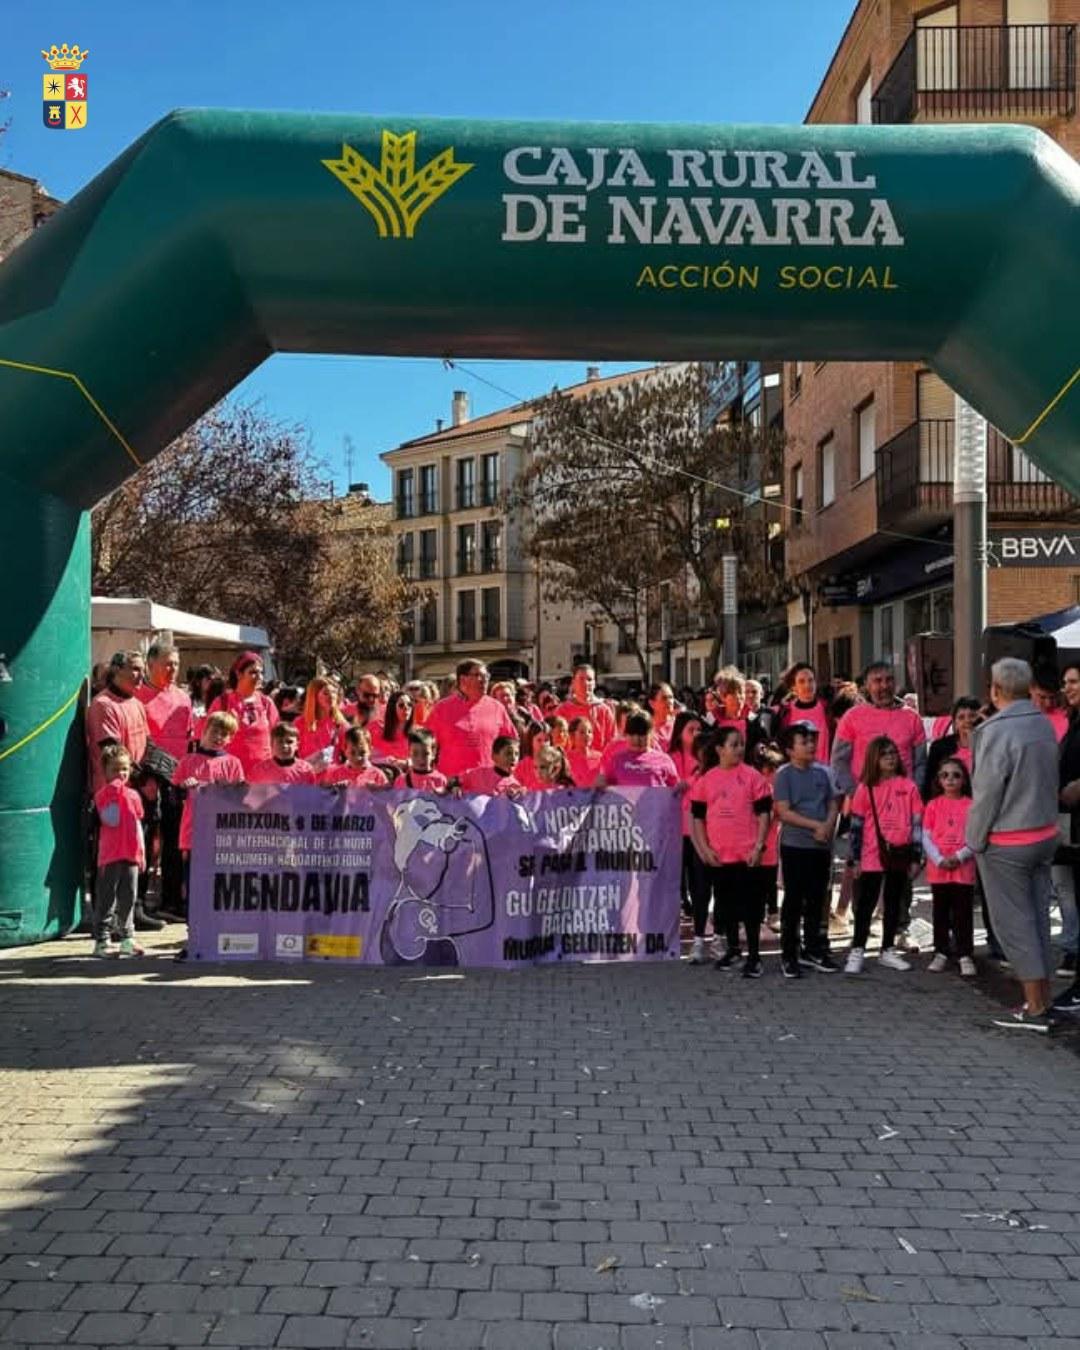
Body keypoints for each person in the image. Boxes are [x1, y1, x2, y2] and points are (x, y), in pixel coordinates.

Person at [967, 658, 1063, 1032]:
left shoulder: (994, 731)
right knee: (1037, 916)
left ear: (995, 689)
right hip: (1043, 832)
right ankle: (1043, 997)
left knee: (1014, 924)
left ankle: (1036, 1007)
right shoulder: (1042, 723)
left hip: (1008, 839)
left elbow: (987, 794)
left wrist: (975, 839)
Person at [689, 726, 772, 978]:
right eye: (733, 744)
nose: (739, 749)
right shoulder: (706, 780)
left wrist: (759, 846)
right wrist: (703, 848)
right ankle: (734, 949)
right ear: (719, 749)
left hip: (747, 855)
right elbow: (697, 818)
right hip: (719, 856)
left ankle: (755, 957)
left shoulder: (753, 777)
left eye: (741, 744)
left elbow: (764, 814)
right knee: (726, 906)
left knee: (751, 907)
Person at [845, 736, 923, 974]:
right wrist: (854, 858)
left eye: (893, 753)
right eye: (884, 753)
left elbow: (917, 823)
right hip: (871, 853)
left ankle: (887, 949)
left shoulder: (908, 787)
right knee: (865, 903)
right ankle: (857, 948)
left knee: (893, 902)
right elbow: (856, 826)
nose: (890, 757)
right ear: (874, 759)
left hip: (899, 852)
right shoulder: (864, 788)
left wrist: (916, 857)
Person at [773, 722, 842, 978]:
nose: (810, 746)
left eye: (812, 741)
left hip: (821, 846)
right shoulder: (784, 775)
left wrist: (827, 825)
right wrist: (815, 825)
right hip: (795, 845)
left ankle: (813, 948)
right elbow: (783, 811)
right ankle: (789, 953)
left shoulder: (823, 773)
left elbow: (834, 802)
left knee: (817, 898)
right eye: (804, 742)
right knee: (794, 900)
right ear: (790, 749)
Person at [171, 712, 244, 915]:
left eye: (224, 734)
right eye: (215, 731)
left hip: (222, 836)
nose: (218, 737)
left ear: (230, 738)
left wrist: (230, 789)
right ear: (204, 730)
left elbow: (241, 800)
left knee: (220, 886)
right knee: (195, 885)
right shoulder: (187, 761)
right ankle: (194, 935)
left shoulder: (233, 763)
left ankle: (217, 932)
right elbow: (173, 798)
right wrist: (184, 788)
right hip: (193, 835)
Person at [832, 661, 927, 794]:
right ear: (867, 685)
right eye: (878, 681)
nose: (884, 686)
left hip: (902, 803)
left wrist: (912, 793)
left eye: (889, 680)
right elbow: (839, 761)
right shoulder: (851, 717)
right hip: (864, 804)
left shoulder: (912, 718)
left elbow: (921, 763)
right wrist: (854, 792)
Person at [922, 756, 976, 977]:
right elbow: (925, 835)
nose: (950, 779)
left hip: (963, 869)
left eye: (956, 775)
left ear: (964, 780)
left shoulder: (972, 806)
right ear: (938, 780)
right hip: (939, 869)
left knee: (963, 912)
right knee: (940, 912)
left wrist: (960, 856)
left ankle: (965, 953)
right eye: (945, 775)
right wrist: (938, 859)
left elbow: (975, 835)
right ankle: (941, 951)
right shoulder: (933, 805)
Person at [92, 745, 146, 958]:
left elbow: (138, 825)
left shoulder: (134, 795)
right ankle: (102, 940)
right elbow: (110, 819)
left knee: (129, 897)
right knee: (107, 898)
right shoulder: (103, 795)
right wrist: (115, 793)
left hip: (130, 854)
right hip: (111, 856)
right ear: (105, 771)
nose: (121, 774)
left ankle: (127, 937)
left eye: (124, 768)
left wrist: (141, 854)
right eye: (115, 769)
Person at [424, 660, 518, 780]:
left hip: (488, 784)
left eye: (486, 676)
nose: (485, 680)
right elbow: (425, 745)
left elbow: (512, 743)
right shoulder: (441, 709)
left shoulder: (497, 708)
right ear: (463, 679)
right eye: (479, 676)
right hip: (452, 785)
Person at [1052, 662, 1080, 988]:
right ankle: (1072, 948)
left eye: (1073, 681)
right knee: (1066, 888)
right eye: (1065, 682)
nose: (1067, 687)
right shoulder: (1072, 720)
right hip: (1064, 818)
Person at [208, 651, 279, 777]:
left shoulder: (266, 703)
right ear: (239, 674)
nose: (259, 677)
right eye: (253, 672)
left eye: (261, 673)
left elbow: (276, 738)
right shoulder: (223, 702)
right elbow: (208, 739)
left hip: (262, 776)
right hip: (230, 776)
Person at [685, 731, 719, 963]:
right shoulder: (695, 780)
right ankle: (698, 940)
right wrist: (701, 846)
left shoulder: (725, 776)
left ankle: (719, 938)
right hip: (701, 844)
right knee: (700, 893)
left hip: (726, 845)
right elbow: (693, 817)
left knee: (723, 894)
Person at [602, 710, 680, 787]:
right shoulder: (616, 760)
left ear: (652, 734)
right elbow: (605, 786)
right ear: (625, 734)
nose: (637, 739)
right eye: (632, 734)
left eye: (642, 734)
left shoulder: (664, 760)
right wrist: (600, 781)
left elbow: (675, 790)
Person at [774, 663, 833, 763]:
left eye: (811, 680)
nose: (807, 685)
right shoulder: (785, 712)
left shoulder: (827, 708)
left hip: (824, 773)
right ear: (793, 687)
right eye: (801, 681)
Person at [754, 745, 783, 932]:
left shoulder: (777, 789)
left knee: (770, 880)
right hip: (755, 843)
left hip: (772, 842)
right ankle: (758, 915)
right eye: (771, 770)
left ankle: (773, 913)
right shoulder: (757, 787)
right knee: (757, 880)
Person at [925, 696, 981, 790]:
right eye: (961, 717)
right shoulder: (939, 748)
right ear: (955, 723)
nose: (967, 721)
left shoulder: (990, 745)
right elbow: (930, 784)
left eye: (972, 716)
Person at [556, 665, 616, 750]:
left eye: (589, 680)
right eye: (581, 679)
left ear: (594, 683)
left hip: (598, 760)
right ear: (573, 682)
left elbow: (611, 741)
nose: (586, 683)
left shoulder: (604, 710)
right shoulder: (562, 710)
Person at [297, 676, 349, 764]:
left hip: (332, 775)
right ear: (314, 696)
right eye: (326, 693)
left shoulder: (341, 724)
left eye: (334, 692)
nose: (332, 696)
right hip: (306, 774)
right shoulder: (299, 723)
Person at [321, 727, 392, 788]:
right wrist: (337, 792)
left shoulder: (377, 775)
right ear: (345, 750)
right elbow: (325, 799)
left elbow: (388, 800)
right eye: (352, 753)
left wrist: (375, 792)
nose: (357, 758)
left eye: (362, 753)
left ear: (370, 750)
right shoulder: (336, 774)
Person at [249, 722, 319, 784]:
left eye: (289, 742)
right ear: (271, 744)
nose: (284, 746)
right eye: (280, 741)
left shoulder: (306, 770)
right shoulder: (259, 770)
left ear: (297, 745)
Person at [394, 727, 450, 793]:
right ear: (409, 753)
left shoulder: (440, 780)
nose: (420, 759)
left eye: (426, 754)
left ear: (433, 754)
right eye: (415, 753)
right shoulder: (401, 780)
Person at [369, 689, 414, 767]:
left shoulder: (417, 733)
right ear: (392, 708)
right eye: (401, 705)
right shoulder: (376, 729)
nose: (406, 708)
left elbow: (426, 758)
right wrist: (390, 761)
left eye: (409, 704)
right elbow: (368, 757)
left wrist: (407, 763)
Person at [566, 717, 603, 787]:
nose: (587, 735)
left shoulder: (600, 757)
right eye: (582, 732)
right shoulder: (566, 759)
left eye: (590, 731)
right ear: (572, 735)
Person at [647, 682, 678, 751]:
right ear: (652, 703)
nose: (670, 701)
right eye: (664, 698)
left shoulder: (679, 724)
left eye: (671, 697)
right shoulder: (647, 727)